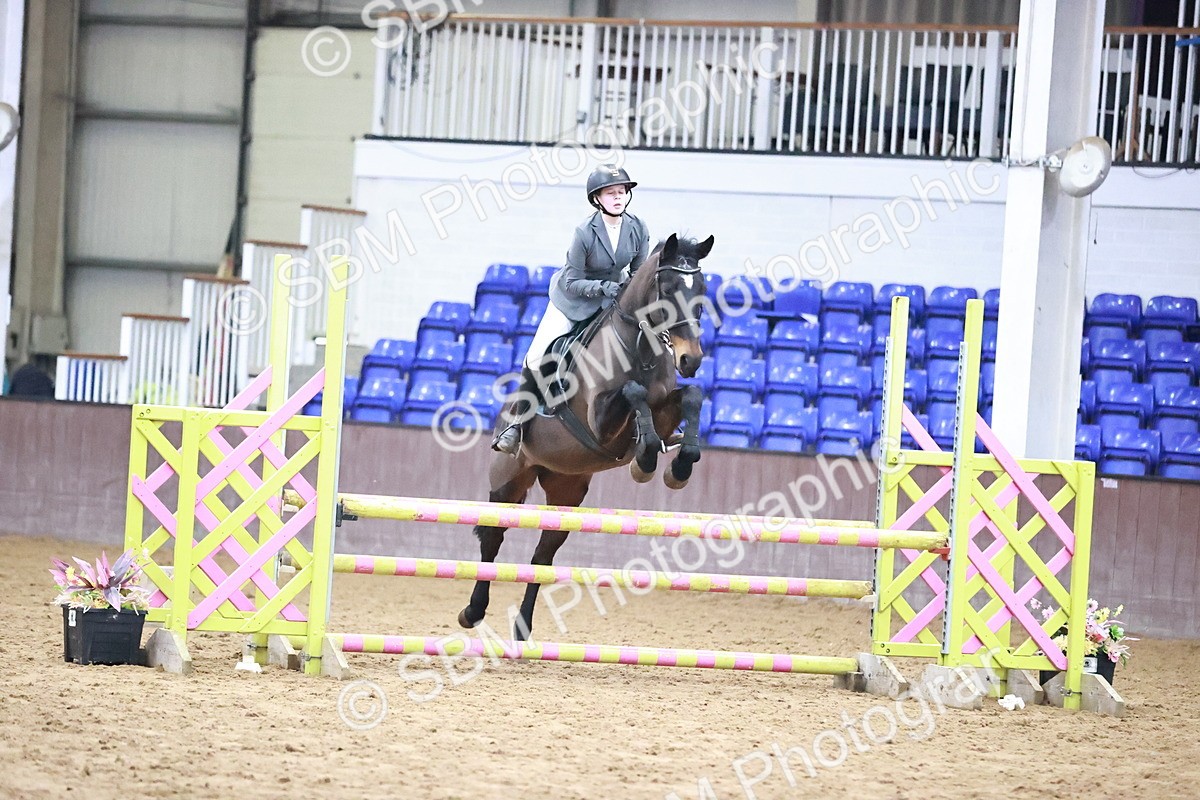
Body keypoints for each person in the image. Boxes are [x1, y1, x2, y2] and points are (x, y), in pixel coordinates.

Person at [491, 164, 651, 455]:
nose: (618, 198)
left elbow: (639, 273)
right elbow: (572, 279)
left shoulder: (637, 227)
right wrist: (602, 288)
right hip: (573, 300)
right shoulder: (584, 233)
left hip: (611, 301)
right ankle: (516, 423)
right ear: (597, 199)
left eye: (622, 192)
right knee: (538, 354)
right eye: (610, 193)